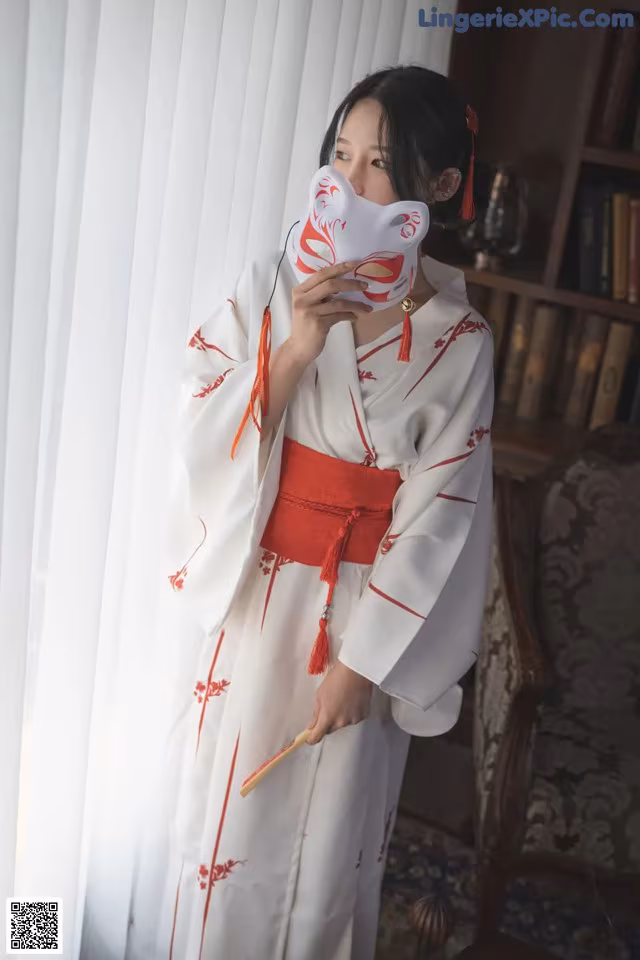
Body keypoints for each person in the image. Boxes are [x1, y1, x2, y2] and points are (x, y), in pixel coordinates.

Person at [161, 65, 494, 960]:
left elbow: (444, 511)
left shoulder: (461, 342)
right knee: (223, 828)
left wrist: (364, 661)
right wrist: (299, 344)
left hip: (360, 620)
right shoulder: (274, 277)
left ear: (442, 188)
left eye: (379, 163)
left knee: (327, 836)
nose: (348, 184)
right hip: (258, 595)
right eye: (339, 156)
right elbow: (201, 410)